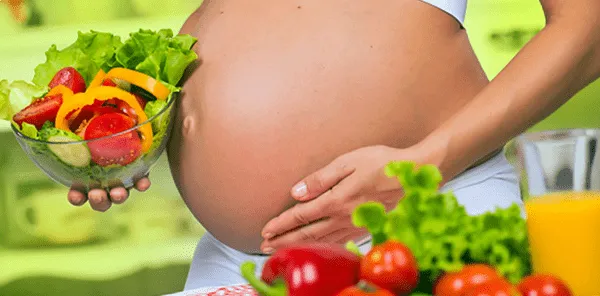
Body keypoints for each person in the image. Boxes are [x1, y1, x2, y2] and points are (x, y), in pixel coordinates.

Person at [66, 0, 600, 288]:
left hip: (416, 220)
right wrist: (123, 138)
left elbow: (589, 27)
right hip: (239, 262)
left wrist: (425, 163)